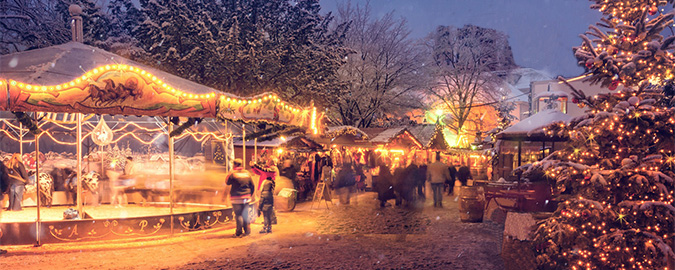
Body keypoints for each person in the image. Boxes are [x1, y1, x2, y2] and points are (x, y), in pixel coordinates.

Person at [227, 158, 255, 237]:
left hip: (236, 198)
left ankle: (239, 232)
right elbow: (252, 185)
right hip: (246, 197)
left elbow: (227, 182)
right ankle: (247, 231)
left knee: (238, 214)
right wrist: (250, 194)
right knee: (245, 214)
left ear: (235, 164)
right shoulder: (247, 173)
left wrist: (230, 172)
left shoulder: (233, 173)